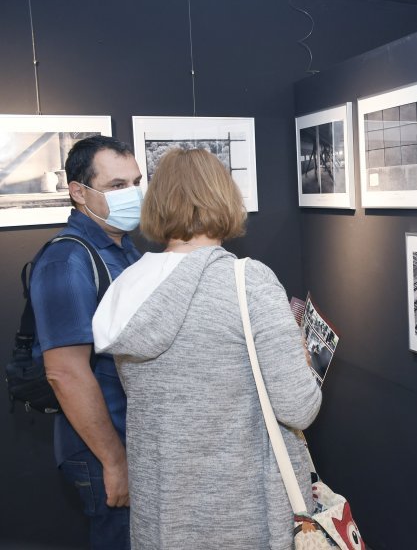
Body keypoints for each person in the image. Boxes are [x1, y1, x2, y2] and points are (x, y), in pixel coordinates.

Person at [92, 148, 322, 549]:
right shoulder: (246, 281)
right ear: (224, 197)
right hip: (243, 512)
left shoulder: (128, 285)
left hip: (162, 510)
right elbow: (298, 408)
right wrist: (302, 360)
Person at [30, 135, 143, 549]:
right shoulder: (67, 261)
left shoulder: (124, 249)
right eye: (117, 186)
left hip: (131, 440)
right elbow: (65, 372)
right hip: (102, 448)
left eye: (135, 181)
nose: (132, 194)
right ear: (79, 192)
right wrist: (114, 462)